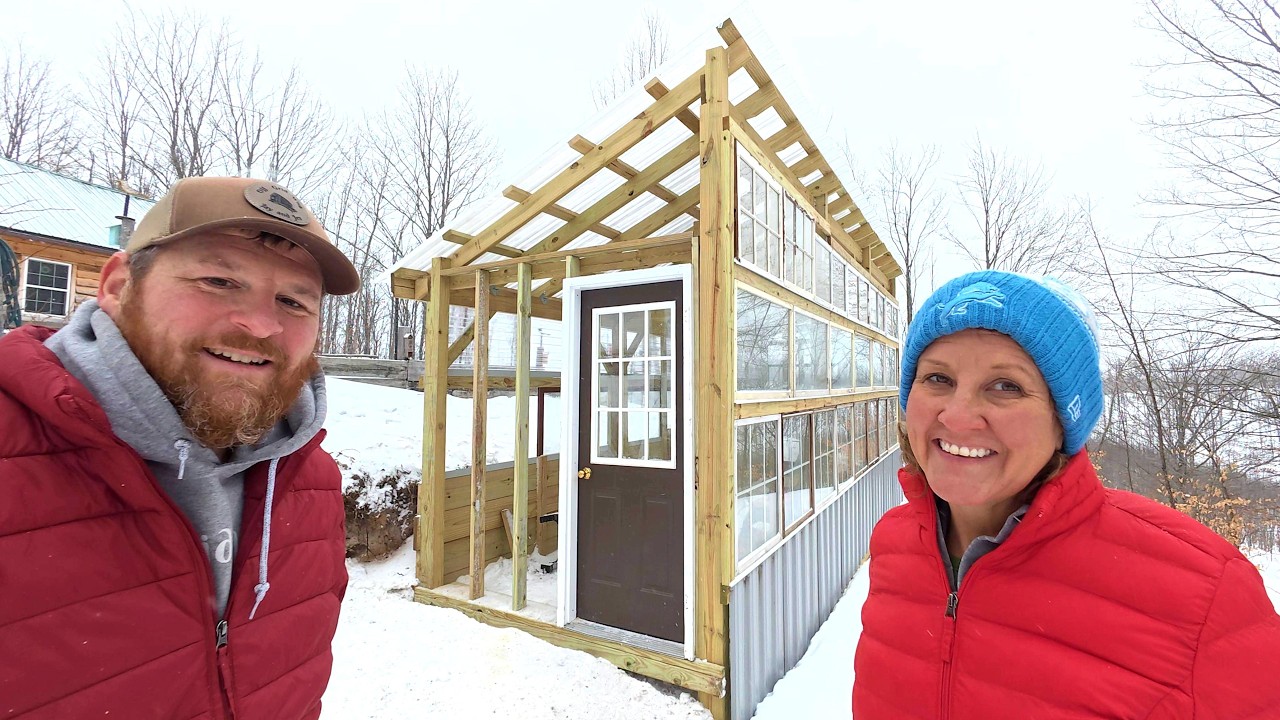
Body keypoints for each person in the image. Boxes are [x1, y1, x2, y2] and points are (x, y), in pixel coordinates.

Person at [0, 177, 361, 719]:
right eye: (219, 280)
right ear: (118, 286)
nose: (263, 324)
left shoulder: (309, 482)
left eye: (293, 300)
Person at [853, 270, 1280, 719]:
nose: (958, 416)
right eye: (937, 378)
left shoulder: (1206, 592)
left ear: (1064, 422)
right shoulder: (896, 544)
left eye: (1006, 386)